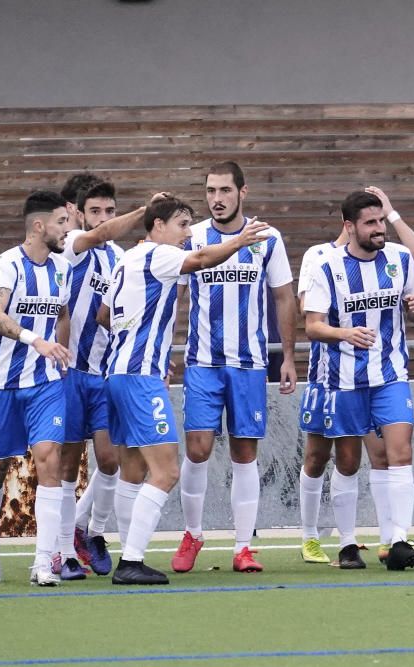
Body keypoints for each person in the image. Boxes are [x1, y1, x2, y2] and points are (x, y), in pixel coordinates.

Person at [100, 196, 270, 585]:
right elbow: (201, 261)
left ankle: (128, 550)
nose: (188, 233)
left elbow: (104, 316)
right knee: (167, 471)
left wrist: (145, 344)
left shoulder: (126, 260)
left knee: (132, 471)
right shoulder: (158, 255)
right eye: (181, 224)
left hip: (119, 373)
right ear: (157, 225)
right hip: (141, 378)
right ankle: (131, 560)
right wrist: (240, 242)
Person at [171, 161, 297, 575]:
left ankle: (243, 546)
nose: (217, 198)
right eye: (210, 191)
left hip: (249, 364)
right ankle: (193, 533)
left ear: (243, 192)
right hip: (203, 362)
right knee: (198, 449)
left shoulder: (268, 238)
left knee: (245, 453)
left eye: (225, 190)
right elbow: (172, 295)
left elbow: (282, 297)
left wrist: (290, 358)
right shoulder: (194, 238)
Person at [296, 187, 414, 567]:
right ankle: (347, 543)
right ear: (349, 227)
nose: (378, 229)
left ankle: (399, 540)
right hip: (343, 379)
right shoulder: (327, 266)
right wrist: (345, 333)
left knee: (400, 451)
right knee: (347, 461)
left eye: (381, 221)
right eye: (370, 223)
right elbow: (313, 326)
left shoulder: (399, 259)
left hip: (390, 374)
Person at [55, 182, 164, 579]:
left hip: (104, 371)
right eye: (96, 210)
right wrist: (146, 210)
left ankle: (92, 531)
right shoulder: (71, 243)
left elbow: (111, 314)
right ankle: (65, 551)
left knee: (110, 458)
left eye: (109, 210)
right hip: (68, 372)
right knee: (68, 463)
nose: (103, 218)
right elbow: (100, 234)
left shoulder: (119, 258)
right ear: (78, 212)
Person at [0, 190, 73, 586]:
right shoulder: (7, 264)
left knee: (49, 459)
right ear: (39, 225)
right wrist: (35, 340)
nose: (68, 229)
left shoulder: (62, 268)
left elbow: (62, 312)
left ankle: (43, 563)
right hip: (1, 384)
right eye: (62, 222)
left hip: (46, 383)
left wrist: (58, 352)